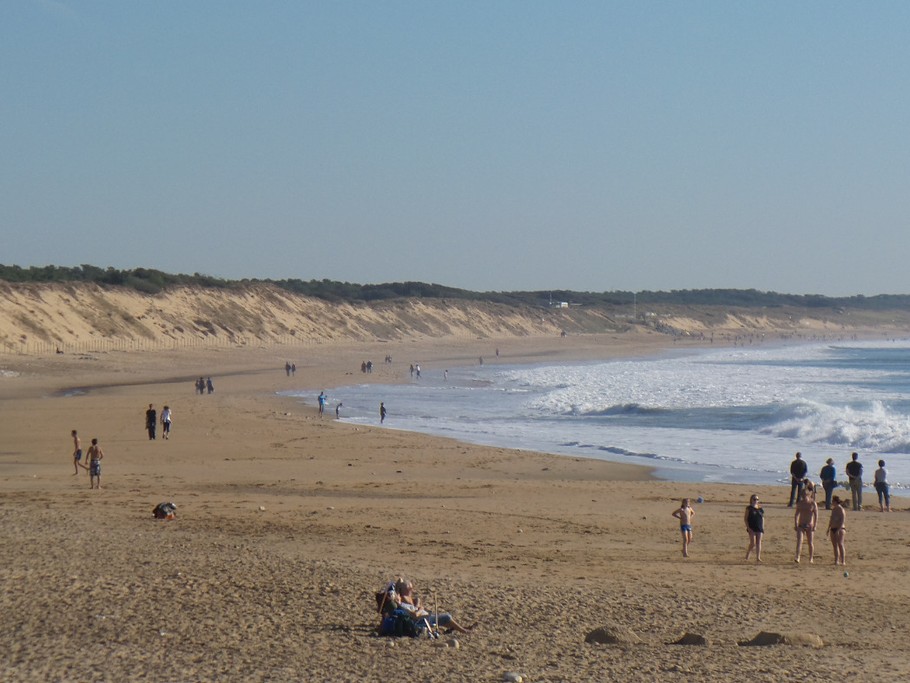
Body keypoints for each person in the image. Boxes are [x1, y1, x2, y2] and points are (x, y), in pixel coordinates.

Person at [394, 578, 474, 634]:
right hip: (422, 620)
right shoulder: (402, 599)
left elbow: (417, 605)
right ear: (403, 589)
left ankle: (461, 628)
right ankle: (464, 630)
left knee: (442, 619)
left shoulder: (408, 598)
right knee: (447, 617)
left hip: (424, 617)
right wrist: (420, 609)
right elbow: (415, 614)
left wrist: (419, 605)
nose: (411, 589)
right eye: (409, 588)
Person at [794, 482, 818, 564]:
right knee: (799, 541)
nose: (803, 496)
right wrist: (796, 524)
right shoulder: (800, 503)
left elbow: (816, 515)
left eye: (805, 495)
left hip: (810, 525)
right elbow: (796, 515)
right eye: (802, 495)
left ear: (808, 494)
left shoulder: (812, 503)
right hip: (801, 525)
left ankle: (811, 558)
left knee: (810, 542)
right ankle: (797, 557)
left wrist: (815, 525)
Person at [827, 495, 847, 565]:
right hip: (833, 528)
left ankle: (843, 560)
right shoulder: (834, 509)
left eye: (832, 501)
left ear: (835, 502)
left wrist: (838, 529)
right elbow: (831, 519)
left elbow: (842, 520)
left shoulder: (841, 509)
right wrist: (828, 528)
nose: (832, 503)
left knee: (840, 544)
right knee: (834, 545)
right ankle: (836, 560)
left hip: (840, 529)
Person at [744, 494, 764, 563]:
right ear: (751, 500)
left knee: (759, 542)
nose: (756, 501)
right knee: (752, 543)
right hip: (751, 527)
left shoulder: (760, 508)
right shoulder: (749, 508)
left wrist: (762, 527)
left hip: (759, 527)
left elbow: (762, 518)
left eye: (757, 499)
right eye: (754, 499)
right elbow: (745, 519)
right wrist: (748, 527)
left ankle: (758, 557)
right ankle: (747, 556)